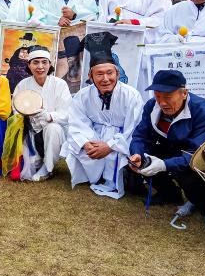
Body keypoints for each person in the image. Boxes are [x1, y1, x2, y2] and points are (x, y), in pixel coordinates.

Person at [62, 33, 144, 199]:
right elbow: (77, 123)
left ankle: (124, 178)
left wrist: (110, 146)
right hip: (94, 138)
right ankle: (93, 175)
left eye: (110, 73)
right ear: (90, 77)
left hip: (121, 141)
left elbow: (133, 129)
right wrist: (86, 143)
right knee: (75, 146)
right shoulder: (82, 96)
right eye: (99, 74)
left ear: (117, 74)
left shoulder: (131, 95)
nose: (105, 79)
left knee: (125, 159)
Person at [127, 70, 205, 215]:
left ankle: (204, 202)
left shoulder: (203, 110)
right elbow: (140, 136)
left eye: (168, 96)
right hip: (170, 147)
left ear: (184, 93)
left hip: (197, 158)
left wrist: (164, 165)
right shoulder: (152, 106)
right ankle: (169, 194)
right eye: (157, 96)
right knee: (146, 159)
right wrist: (137, 154)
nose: (162, 103)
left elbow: (198, 154)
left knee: (187, 177)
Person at [14, 47, 72, 181]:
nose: (40, 66)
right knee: (29, 165)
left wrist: (50, 116)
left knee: (53, 128)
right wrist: (25, 114)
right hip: (30, 129)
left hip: (55, 130)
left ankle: (48, 168)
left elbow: (68, 112)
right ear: (29, 65)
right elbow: (16, 107)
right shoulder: (23, 85)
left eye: (44, 62)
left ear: (50, 64)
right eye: (35, 62)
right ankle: (38, 159)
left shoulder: (60, 84)